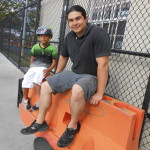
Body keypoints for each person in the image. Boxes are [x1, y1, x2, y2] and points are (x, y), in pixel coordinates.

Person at [20, 5, 111, 148]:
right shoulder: (69, 36)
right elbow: (63, 57)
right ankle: (40, 122)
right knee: (46, 84)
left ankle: (72, 127)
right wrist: (56, 77)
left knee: (77, 90)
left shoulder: (98, 33)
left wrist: (100, 92)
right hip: (74, 73)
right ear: (68, 22)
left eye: (78, 18)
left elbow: (103, 64)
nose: (74, 23)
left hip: (91, 75)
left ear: (86, 18)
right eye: (71, 20)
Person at [22, 26, 57, 111]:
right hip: (34, 67)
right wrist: (31, 66)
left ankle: (40, 100)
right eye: (41, 36)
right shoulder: (35, 47)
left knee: (36, 81)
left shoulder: (52, 49)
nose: (43, 38)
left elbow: (54, 62)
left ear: (50, 37)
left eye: (45, 36)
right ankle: (25, 99)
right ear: (38, 37)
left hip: (44, 67)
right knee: (25, 81)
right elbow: (32, 58)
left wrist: (49, 70)